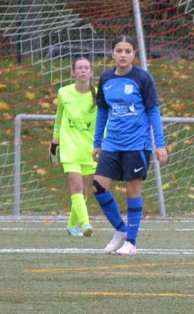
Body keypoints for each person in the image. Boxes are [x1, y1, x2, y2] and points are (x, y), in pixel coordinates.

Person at [91, 36, 167, 256]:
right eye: (118, 50)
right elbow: (103, 111)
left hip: (137, 144)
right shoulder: (105, 78)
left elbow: (153, 111)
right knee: (98, 187)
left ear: (134, 54)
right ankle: (121, 231)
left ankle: (131, 243)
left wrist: (159, 144)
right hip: (112, 143)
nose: (123, 55)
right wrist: (98, 142)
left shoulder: (143, 78)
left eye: (127, 51)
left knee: (132, 192)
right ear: (112, 53)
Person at [49, 57, 98, 238]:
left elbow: (103, 121)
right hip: (69, 147)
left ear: (91, 72)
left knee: (84, 190)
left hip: (89, 148)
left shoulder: (98, 95)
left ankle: (71, 225)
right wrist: (55, 142)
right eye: (79, 68)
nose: (83, 71)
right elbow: (59, 118)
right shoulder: (64, 92)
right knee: (76, 186)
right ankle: (85, 224)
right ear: (73, 72)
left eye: (86, 68)